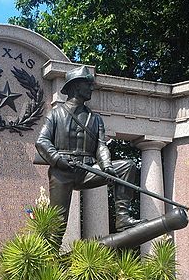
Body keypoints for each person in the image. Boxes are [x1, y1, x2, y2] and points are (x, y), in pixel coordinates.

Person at [35, 65, 145, 232]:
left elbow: (101, 146)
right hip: (62, 172)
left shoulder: (95, 119)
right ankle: (49, 254)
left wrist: (107, 166)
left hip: (87, 170)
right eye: (87, 84)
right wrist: (57, 159)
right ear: (75, 86)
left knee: (127, 166)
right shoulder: (55, 114)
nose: (91, 88)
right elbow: (42, 141)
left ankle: (123, 218)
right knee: (57, 223)